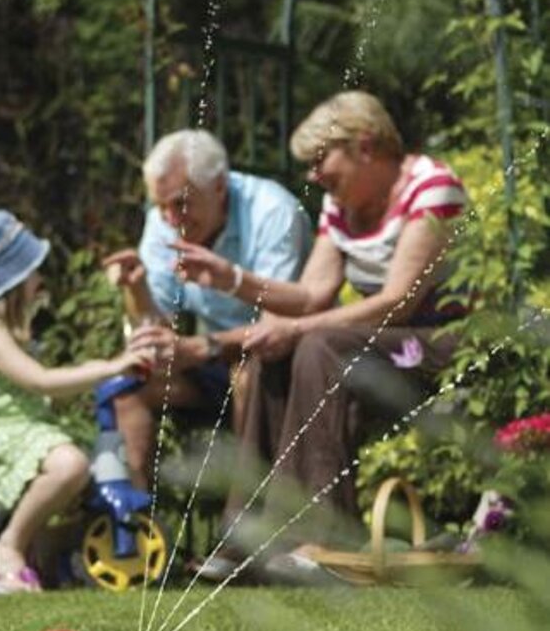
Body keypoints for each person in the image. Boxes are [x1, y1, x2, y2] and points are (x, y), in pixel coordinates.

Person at [175, 91, 469, 574]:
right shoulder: (341, 205)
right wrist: (230, 278)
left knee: (317, 344)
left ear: (365, 146)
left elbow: (397, 302)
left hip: (441, 346)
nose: (313, 176)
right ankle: (244, 533)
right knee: (273, 351)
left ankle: (321, 537)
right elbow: (312, 294)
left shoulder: (433, 188)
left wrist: (295, 328)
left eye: (320, 160)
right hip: (379, 346)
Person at [0, 209, 153, 595]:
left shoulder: (12, 332)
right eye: (33, 270)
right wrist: (109, 367)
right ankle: (8, 547)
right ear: (13, 279)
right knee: (69, 464)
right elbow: (40, 380)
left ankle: (59, 553)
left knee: (104, 458)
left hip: (30, 428)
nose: (40, 277)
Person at [103, 129, 310, 488]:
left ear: (219, 187)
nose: (170, 219)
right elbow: (159, 324)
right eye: (160, 206)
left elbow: (274, 330)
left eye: (180, 204)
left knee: (248, 375)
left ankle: (250, 510)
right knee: (125, 386)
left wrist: (202, 347)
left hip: (285, 358)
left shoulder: (273, 213)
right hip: (213, 358)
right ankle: (133, 513)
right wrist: (137, 290)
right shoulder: (162, 222)